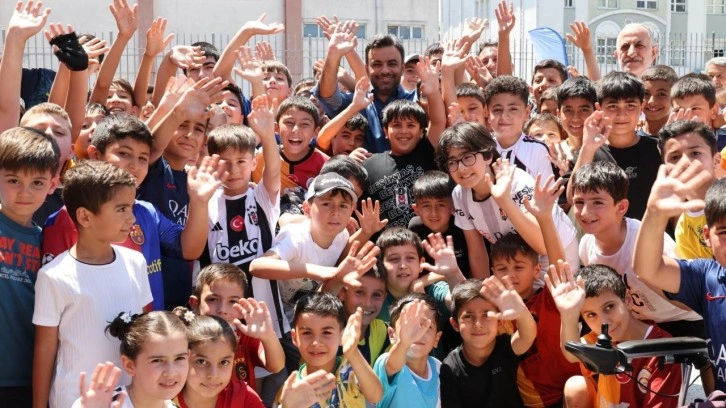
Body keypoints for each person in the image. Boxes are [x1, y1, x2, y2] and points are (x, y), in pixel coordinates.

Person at [42, 113, 222, 311]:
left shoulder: (147, 212)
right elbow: (53, 296)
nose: (134, 165)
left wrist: (199, 201)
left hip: (146, 328)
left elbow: (189, 250)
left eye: (143, 158)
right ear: (95, 154)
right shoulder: (66, 218)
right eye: (124, 153)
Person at [33, 160, 153, 408]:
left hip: (129, 400)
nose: (131, 218)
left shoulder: (136, 263)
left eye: (131, 207)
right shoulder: (53, 276)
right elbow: (45, 351)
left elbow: (144, 337)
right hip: (72, 401)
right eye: (121, 209)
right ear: (85, 217)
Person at [571, 161, 702, 331]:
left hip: (685, 323)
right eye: (579, 202)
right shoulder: (586, 246)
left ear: (621, 207)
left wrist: (650, 275)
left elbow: (692, 301)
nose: (585, 212)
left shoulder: (646, 241)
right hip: (643, 325)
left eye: (597, 202)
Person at [633, 157, 726, 391]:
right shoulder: (708, 277)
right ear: (707, 236)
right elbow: (648, 269)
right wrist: (654, 214)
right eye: (724, 232)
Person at [439, 122, 579, 275]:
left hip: (558, 255)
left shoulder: (516, 182)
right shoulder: (459, 195)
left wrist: (504, 200)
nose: (461, 168)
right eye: (452, 162)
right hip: (517, 265)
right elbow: (478, 254)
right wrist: (481, 289)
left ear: (488, 156)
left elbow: (541, 245)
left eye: (467, 157)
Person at [489, 173, 581, 407]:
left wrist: (545, 218)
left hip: (576, 392)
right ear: (492, 273)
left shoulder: (552, 297)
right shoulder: (495, 314)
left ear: (536, 270)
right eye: (502, 269)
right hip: (535, 400)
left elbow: (558, 262)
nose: (510, 274)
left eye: (519, 267)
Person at [548, 263, 682, 408]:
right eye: (591, 315)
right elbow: (572, 354)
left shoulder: (664, 351)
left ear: (628, 300)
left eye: (609, 307)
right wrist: (568, 314)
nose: (604, 322)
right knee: (575, 386)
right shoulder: (600, 338)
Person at [0, 127, 59, 406]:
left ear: (52, 184)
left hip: (26, 379)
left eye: (37, 182)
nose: (25, 192)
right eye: (13, 180)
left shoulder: (49, 241)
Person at [569, 71, 661, 221]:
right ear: (599, 108)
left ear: (642, 107)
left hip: (652, 233)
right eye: (613, 106)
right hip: (603, 235)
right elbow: (571, 197)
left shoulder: (658, 150)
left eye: (630, 105)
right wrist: (588, 147)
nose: (621, 114)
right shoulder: (589, 152)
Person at [188, 263, 285, 395]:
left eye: (233, 301)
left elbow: (276, 366)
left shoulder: (245, 337)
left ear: (243, 307)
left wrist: (268, 337)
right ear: (195, 304)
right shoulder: (186, 340)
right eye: (213, 299)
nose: (222, 310)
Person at [440, 277, 536, 408]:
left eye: (486, 315)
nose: (478, 324)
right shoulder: (450, 367)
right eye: (468, 316)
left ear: (500, 322)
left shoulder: (505, 347)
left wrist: (521, 311)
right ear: (455, 324)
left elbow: (528, 335)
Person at [362, 82, 445, 229]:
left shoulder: (427, 151)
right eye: (396, 125)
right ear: (386, 131)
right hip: (387, 241)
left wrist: (432, 91)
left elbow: (438, 121)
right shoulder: (368, 165)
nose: (404, 131)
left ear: (422, 131)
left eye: (411, 125)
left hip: (429, 239)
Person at [315, 34, 414, 153]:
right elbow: (328, 96)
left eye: (392, 64)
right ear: (367, 69)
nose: (385, 70)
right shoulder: (357, 103)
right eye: (377, 64)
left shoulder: (416, 101)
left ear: (402, 68)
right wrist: (333, 55)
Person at [74, 311, 190, 408]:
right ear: (130, 365)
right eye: (157, 360)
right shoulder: (99, 405)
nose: (170, 372)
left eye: (179, 358)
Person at [285, 292, 383, 407]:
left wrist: (353, 352)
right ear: (294, 337)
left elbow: (375, 396)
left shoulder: (351, 370)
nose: (316, 343)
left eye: (326, 332)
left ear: (341, 335)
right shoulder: (293, 390)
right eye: (307, 333)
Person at [250, 96, 329, 217]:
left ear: (316, 131)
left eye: (304, 124)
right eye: (289, 123)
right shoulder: (259, 159)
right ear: (276, 128)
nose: (295, 129)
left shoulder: (325, 165)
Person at [172, 308, 265, 408]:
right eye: (201, 361)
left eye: (224, 362)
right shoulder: (164, 400)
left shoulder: (243, 398)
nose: (213, 375)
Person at [659, 120, 721, 260]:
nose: (686, 162)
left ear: (716, 160)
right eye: (675, 157)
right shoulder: (682, 229)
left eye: (695, 153)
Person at [373, 294, 444, 408]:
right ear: (392, 334)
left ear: (437, 338)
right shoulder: (386, 362)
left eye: (426, 326)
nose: (417, 332)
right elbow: (392, 366)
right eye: (409, 325)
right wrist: (403, 343)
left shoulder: (438, 367)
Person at [482, 75, 554, 181]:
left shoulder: (538, 150)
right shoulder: (481, 148)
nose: (504, 116)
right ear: (487, 113)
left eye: (513, 109)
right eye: (497, 110)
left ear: (527, 112)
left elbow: (547, 189)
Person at [408, 170, 473, 278]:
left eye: (441, 205)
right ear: (416, 209)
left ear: (453, 206)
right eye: (426, 205)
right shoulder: (415, 228)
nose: (434, 212)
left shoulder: (463, 226)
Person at [337, 264, 391, 366]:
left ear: (384, 297)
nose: (367, 303)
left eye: (376, 295)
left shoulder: (382, 331)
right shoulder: (326, 331)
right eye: (360, 292)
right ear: (342, 293)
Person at [315, 77, 371, 162]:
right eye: (345, 136)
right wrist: (354, 106)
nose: (352, 143)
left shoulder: (365, 160)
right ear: (333, 138)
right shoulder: (325, 154)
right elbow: (322, 138)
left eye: (359, 139)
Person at [671, 73, 726, 151]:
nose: (687, 116)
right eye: (678, 110)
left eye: (695, 109)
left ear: (714, 111)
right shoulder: (669, 142)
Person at [638, 65, 678, 138]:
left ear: (674, 97)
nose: (651, 101)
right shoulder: (629, 134)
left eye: (661, 94)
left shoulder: (682, 138)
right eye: (646, 94)